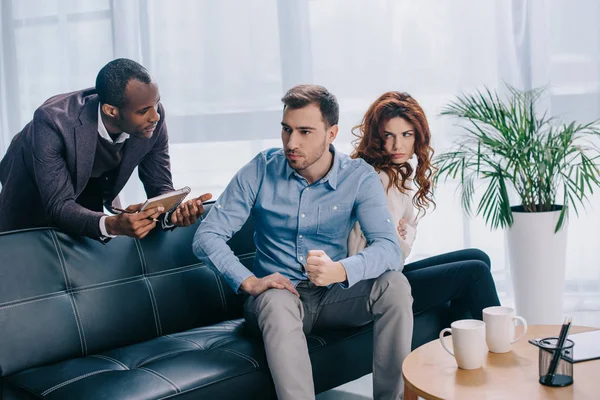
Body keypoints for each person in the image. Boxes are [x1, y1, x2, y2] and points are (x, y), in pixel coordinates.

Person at [193, 85, 413, 400]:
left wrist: (341, 270)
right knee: (276, 301)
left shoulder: (359, 177)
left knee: (395, 286)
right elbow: (207, 235)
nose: (291, 143)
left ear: (331, 133)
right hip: (277, 300)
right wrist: (249, 281)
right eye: (286, 130)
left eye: (305, 132)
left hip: (334, 297)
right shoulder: (262, 168)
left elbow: (389, 248)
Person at [0, 58, 211, 241]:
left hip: (90, 182)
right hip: (30, 190)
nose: (155, 116)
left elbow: (160, 185)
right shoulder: (52, 121)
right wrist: (112, 225)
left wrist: (174, 210)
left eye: (156, 104)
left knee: (88, 244)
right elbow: (59, 205)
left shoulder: (153, 116)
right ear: (111, 110)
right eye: (144, 110)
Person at [349, 91, 501, 322]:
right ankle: (500, 345)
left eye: (406, 135)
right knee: (475, 273)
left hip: (387, 275)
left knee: (478, 257)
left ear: (417, 137)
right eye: (388, 135)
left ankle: (466, 343)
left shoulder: (395, 172)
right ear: (376, 138)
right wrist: (405, 235)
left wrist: (401, 233)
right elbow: (394, 253)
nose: (397, 145)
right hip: (372, 286)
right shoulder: (379, 178)